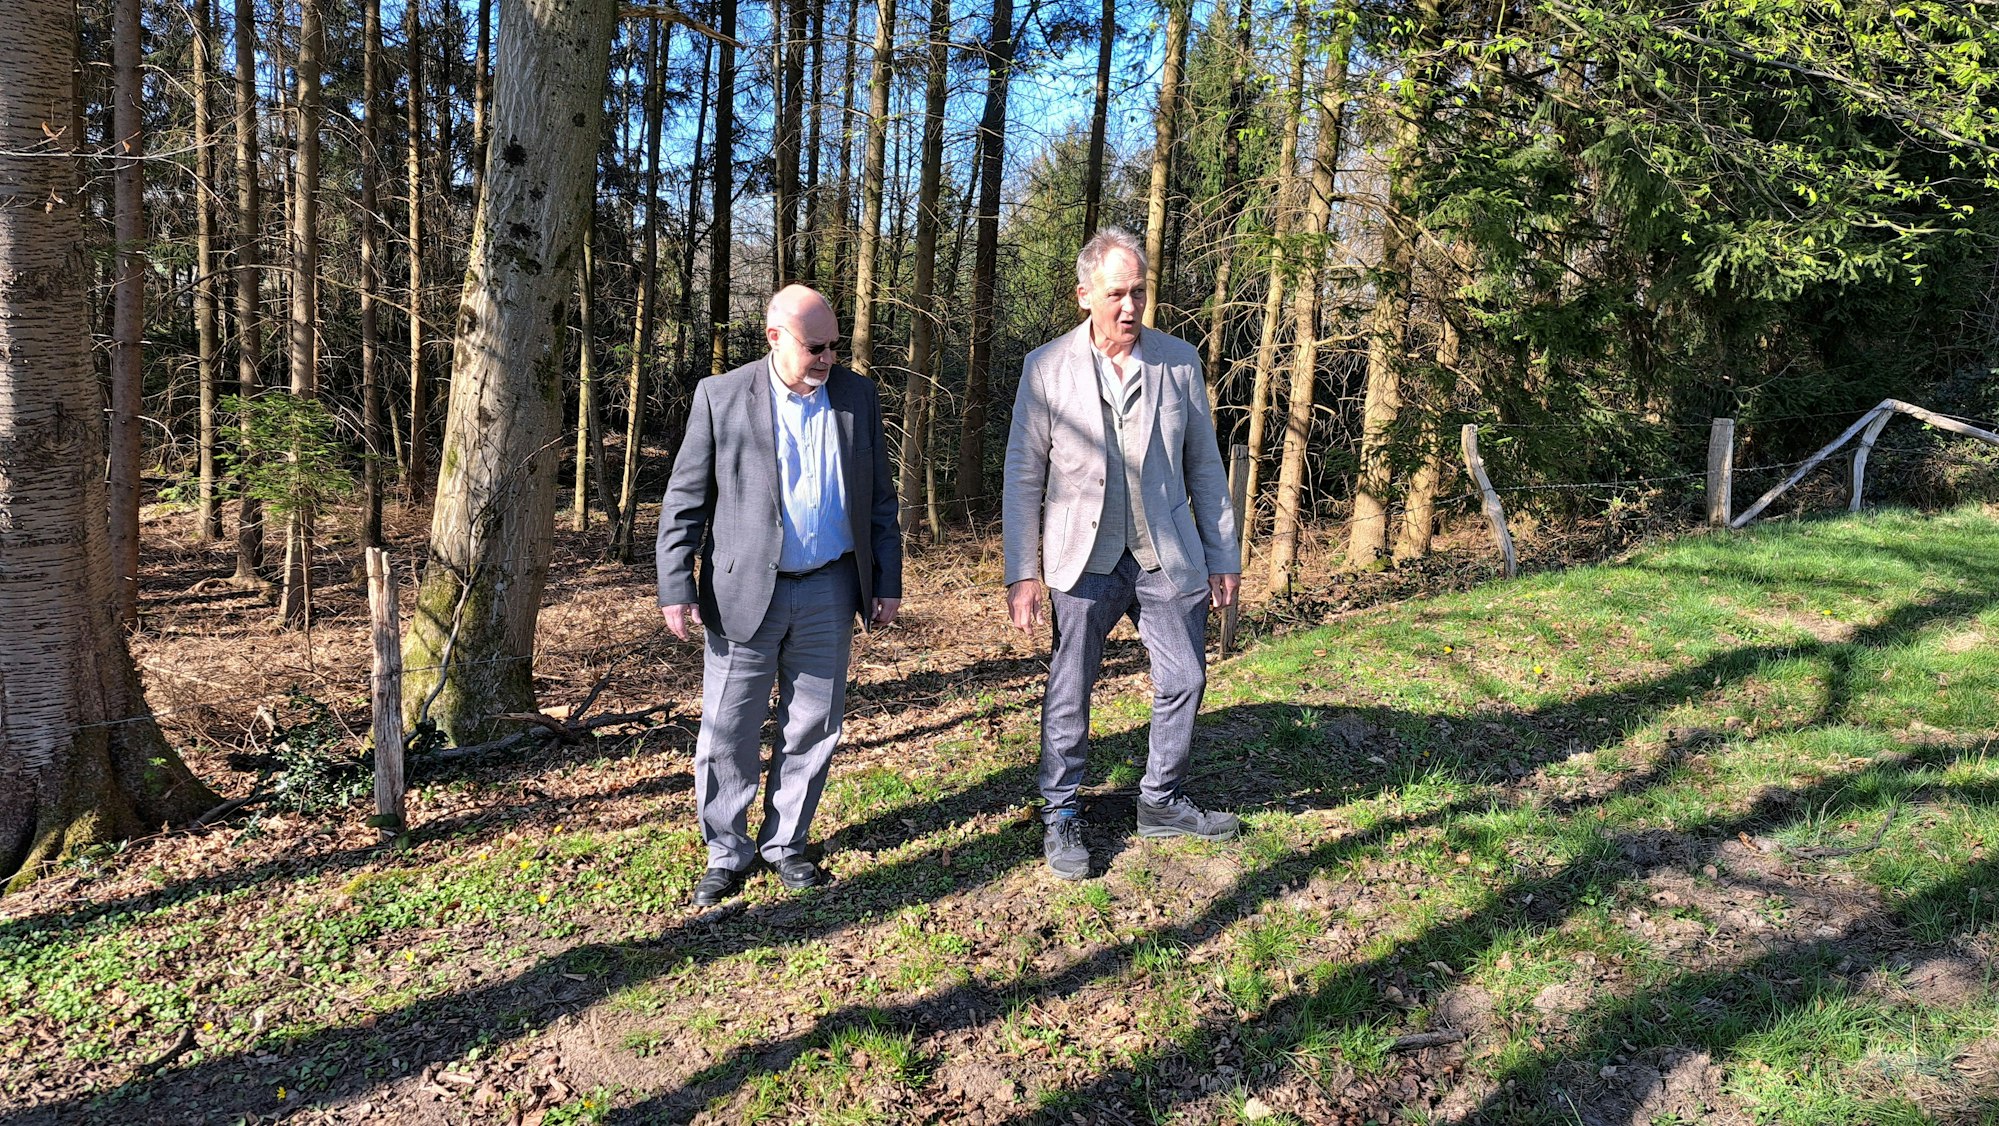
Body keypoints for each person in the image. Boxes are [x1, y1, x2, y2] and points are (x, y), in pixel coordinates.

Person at [1002, 226, 1243, 881]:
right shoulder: (1045, 368)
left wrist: (1223, 555)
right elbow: (1024, 474)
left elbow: (1204, 466)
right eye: (1117, 294)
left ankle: (1160, 801)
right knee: (1069, 689)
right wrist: (1021, 570)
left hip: (1166, 553)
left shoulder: (1178, 361)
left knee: (1185, 679)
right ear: (1085, 296)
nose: (1131, 307)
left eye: (1138, 292)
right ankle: (1060, 813)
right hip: (1082, 560)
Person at [657, 284, 902, 907]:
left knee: (814, 725)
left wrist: (887, 578)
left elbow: (879, 499)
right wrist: (674, 585)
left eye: (834, 347)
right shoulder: (722, 396)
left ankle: (786, 843)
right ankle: (725, 851)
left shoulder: (856, 396)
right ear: (774, 337)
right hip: (742, 592)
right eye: (814, 346)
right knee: (729, 729)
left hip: (829, 586)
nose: (826, 358)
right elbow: (686, 499)